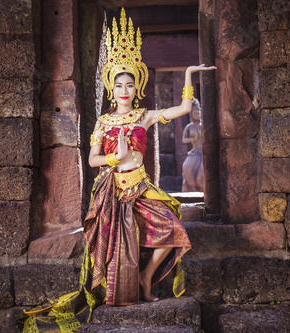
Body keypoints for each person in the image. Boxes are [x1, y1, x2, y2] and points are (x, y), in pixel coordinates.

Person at [17, 8, 215, 333]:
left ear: (137, 88)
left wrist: (190, 75)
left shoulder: (145, 116)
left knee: (173, 230)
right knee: (117, 245)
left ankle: (145, 278)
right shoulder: (104, 122)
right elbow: (93, 160)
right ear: (112, 87)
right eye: (119, 84)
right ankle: (121, 292)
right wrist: (114, 158)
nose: (124, 90)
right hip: (113, 189)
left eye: (130, 85)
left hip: (141, 186)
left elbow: (181, 109)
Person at [182, 98, 204, 192]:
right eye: (195, 113)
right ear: (191, 115)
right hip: (194, 152)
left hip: (203, 152)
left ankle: (202, 188)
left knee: (202, 173)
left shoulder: (204, 125)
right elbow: (184, 140)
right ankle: (192, 189)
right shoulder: (189, 126)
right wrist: (192, 139)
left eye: (199, 113)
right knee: (186, 166)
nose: (197, 115)